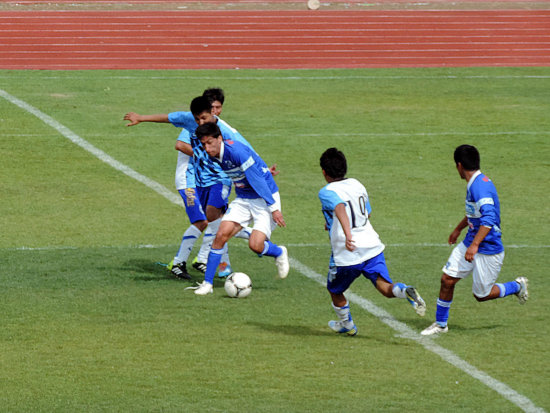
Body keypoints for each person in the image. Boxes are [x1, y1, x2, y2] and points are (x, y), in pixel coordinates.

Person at [123, 95, 253, 279]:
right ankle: (180, 263)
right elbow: (173, 127)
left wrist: (262, 170)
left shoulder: (222, 129)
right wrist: (141, 118)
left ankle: (217, 261)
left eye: (217, 108)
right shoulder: (190, 122)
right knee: (204, 222)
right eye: (198, 118)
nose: (200, 122)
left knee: (216, 220)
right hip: (188, 181)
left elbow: (246, 149)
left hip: (210, 180)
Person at [421, 145, 528, 336]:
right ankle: (440, 324)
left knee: (481, 295)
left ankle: (517, 286)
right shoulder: (475, 183)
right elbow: (474, 213)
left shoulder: (480, 187)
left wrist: (475, 245)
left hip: (488, 248)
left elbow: (488, 219)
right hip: (470, 241)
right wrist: (458, 229)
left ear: (459, 166)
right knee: (447, 279)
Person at [318, 148, 426, 336]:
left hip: (347, 253)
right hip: (372, 246)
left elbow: (340, 207)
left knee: (334, 290)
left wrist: (347, 232)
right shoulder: (357, 184)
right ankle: (404, 290)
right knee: (385, 288)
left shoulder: (326, 192)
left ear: (324, 172)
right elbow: (366, 212)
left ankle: (347, 325)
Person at [189, 122, 289, 295]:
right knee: (220, 235)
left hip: (264, 198)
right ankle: (207, 284)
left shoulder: (236, 152)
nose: (206, 147)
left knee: (256, 245)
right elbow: (253, 161)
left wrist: (274, 208)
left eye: (209, 143)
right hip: (243, 198)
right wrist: (264, 168)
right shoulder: (213, 154)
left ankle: (279, 252)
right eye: (203, 144)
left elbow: (257, 180)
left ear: (219, 138)